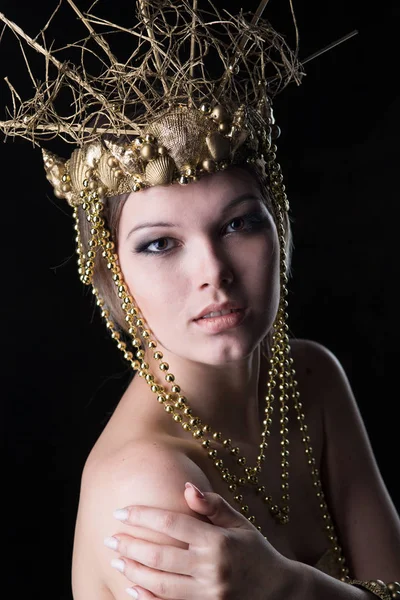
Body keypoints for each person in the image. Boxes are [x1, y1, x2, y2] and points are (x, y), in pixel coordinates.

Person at [1, 2, 399, 600]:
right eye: (160, 244)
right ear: (111, 271)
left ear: (279, 227)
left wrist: (287, 588)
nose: (213, 272)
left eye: (239, 225)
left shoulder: (311, 379)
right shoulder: (151, 486)